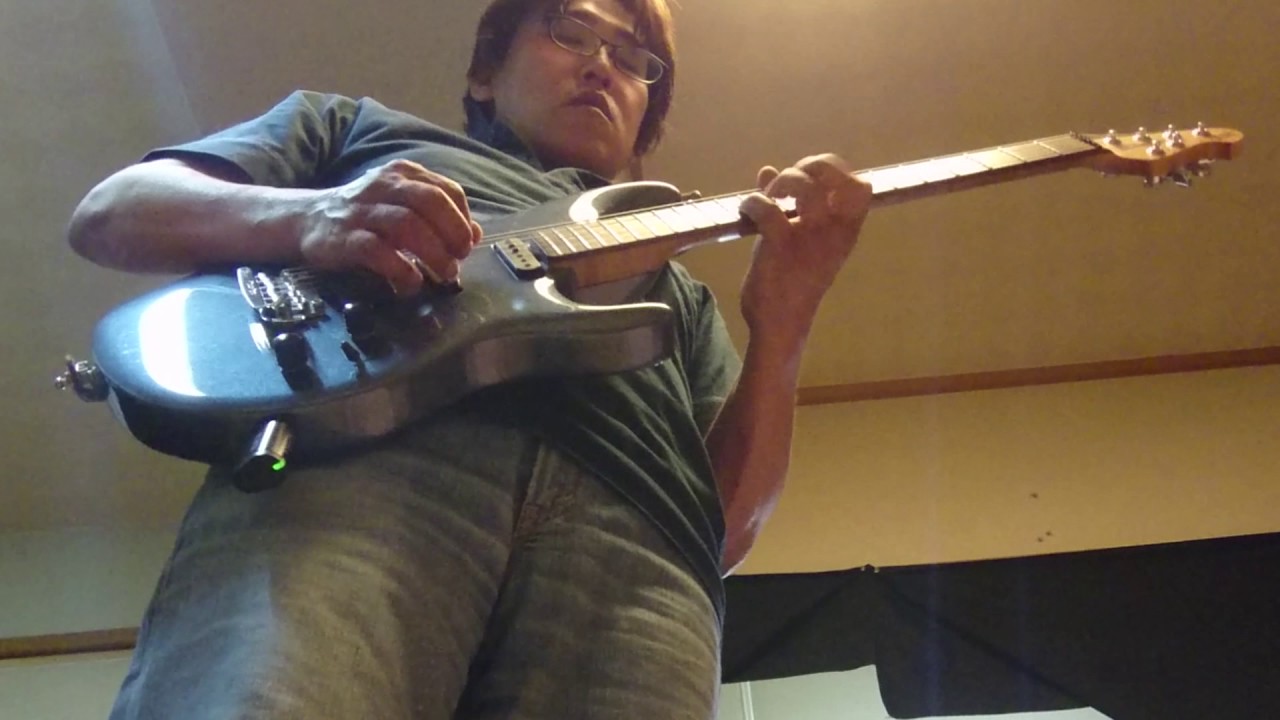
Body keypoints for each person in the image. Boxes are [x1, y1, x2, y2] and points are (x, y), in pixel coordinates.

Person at [68, 0, 871, 717]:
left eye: (635, 61)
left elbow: (726, 526)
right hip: (366, 456)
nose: (603, 66)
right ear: (485, 74)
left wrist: (786, 320)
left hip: (642, 551)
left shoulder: (677, 290)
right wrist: (314, 215)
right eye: (572, 29)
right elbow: (113, 212)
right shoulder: (360, 129)